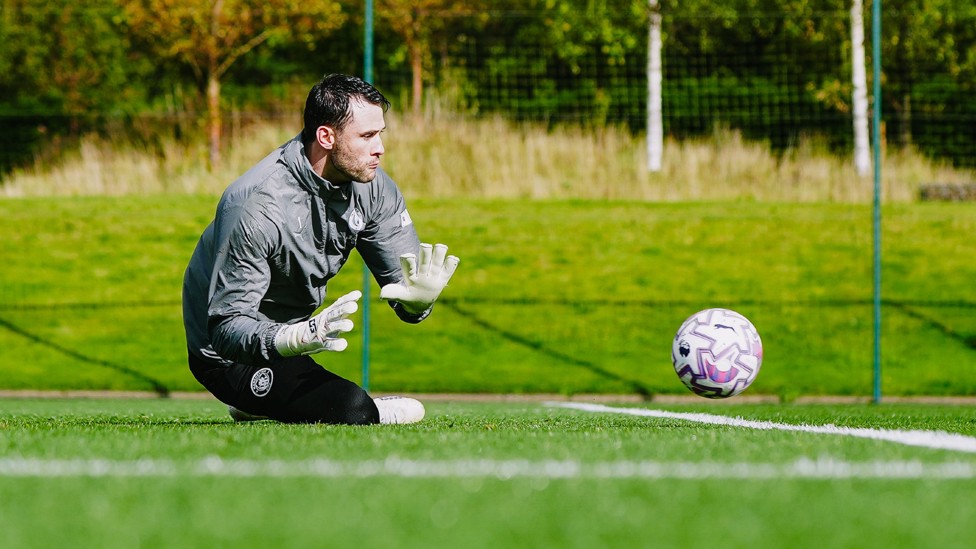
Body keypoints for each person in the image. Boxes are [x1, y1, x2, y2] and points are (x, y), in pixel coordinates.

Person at [182, 73, 459, 425]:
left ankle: (262, 401)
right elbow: (226, 329)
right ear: (326, 137)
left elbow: (405, 289)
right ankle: (356, 408)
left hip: (291, 342)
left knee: (328, 401)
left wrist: (419, 302)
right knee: (353, 409)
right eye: (367, 136)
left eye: (381, 134)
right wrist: (293, 336)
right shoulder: (256, 203)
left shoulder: (373, 187)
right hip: (225, 355)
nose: (380, 148)